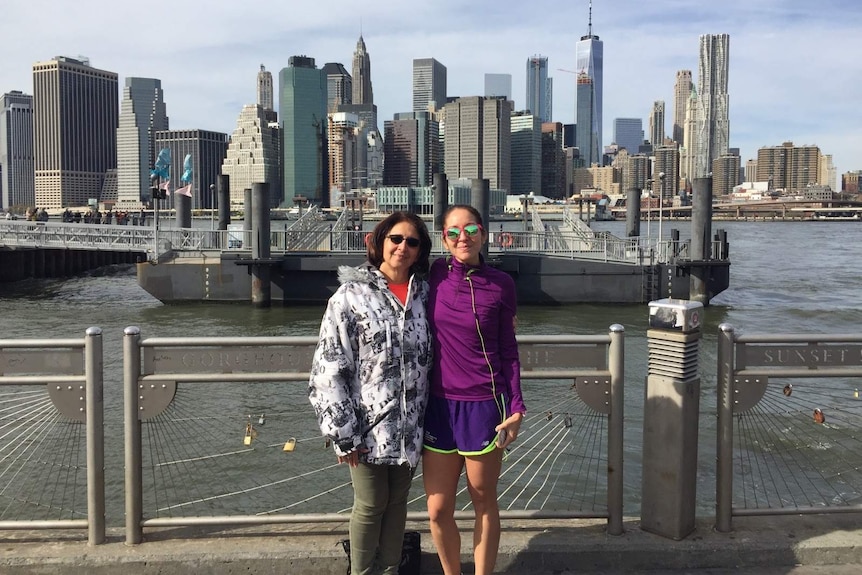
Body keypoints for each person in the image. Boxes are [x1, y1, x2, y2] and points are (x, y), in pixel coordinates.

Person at [308, 211, 433, 575]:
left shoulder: (425, 295)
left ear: (420, 250)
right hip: (367, 427)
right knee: (370, 503)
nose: (402, 247)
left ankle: (390, 569)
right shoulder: (350, 296)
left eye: (412, 242)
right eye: (395, 239)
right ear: (379, 243)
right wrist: (343, 433)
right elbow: (329, 368)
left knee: (398, 504)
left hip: (411, 426)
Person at [423, 204, 526, 575]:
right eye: (452, 231)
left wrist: (516, 406)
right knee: (437, 509)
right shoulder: (432, 274)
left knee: (483, 498)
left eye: (470, 229)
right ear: (443, 239)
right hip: (437, 405)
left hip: (485, 405)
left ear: (483, 233)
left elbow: (509, 349)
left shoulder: (502, 284)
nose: (461, 237)